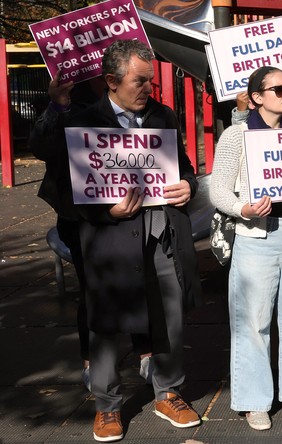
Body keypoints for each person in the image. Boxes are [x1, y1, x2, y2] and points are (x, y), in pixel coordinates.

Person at [60, 39, 203, 442]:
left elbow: (186, 169)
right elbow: (68, 194)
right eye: (140, 81)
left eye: (151, 81)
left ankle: (168, 391)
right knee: (105, 323)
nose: (148, 89)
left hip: (163, 234)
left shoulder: (164, 116)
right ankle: (107, 405)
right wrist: (108, 213)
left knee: (170, 316)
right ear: (111, 81)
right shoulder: (83, 123)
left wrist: (187, 187)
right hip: (110, 239)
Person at [210, 66, 282, 431]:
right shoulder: (236, 136)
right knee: (253, 320)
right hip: (256, 236)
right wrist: (242, 208)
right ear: (257, 97)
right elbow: (218, 190)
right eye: (277, 89)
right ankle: (254, 400)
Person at [29, 73, 156, 393]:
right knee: (94, 288)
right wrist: (58, 104)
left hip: (137, 210)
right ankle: (94, 362)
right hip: (81, 216)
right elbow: (41, 147)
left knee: (143, 281)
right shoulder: (70, 101)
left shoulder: (143, 100)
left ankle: (148, 353)